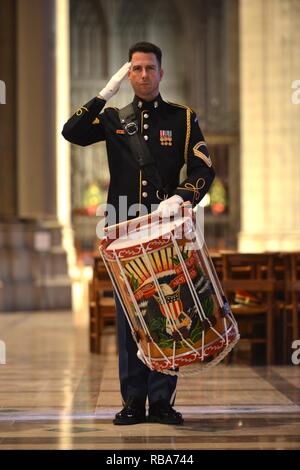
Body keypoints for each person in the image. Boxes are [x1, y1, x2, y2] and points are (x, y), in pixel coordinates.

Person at [62, 41, 215, 425]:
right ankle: (132, 401)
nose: (143, 75)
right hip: (125, 230)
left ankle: (162, 401)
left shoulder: (183, 118)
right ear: (127, 75)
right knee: (132, 315)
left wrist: (182, 197)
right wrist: (102, 96)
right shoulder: (114, 117)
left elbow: (203, 169)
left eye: (149, 68)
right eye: (136, 69)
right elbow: (72, 132)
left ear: (161, 73)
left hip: (165, 229)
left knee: (168, 310)